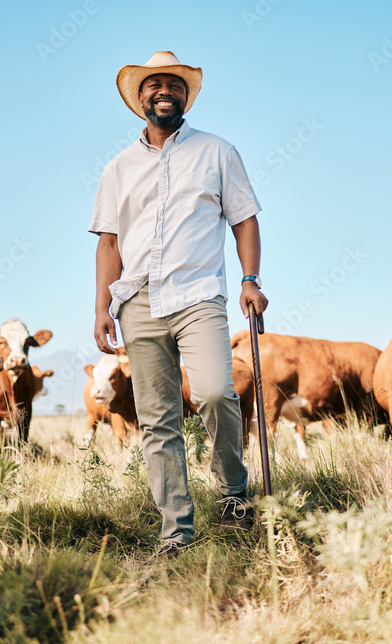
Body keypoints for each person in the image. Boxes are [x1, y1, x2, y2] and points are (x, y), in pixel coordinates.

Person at [89, 51, 268, 558]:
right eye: (154, 84)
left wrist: (250, 279)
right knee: (157, 420)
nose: (164, 90)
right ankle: (176, 532)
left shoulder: (218, 152)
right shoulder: (117, 169)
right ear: (139, 98)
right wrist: (102, 308)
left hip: (199, 296)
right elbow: (107, 243)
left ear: (186, 96)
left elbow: (245, 220)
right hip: (137, 302)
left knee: (214, 392)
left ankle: (234, 492)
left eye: (174, 83)